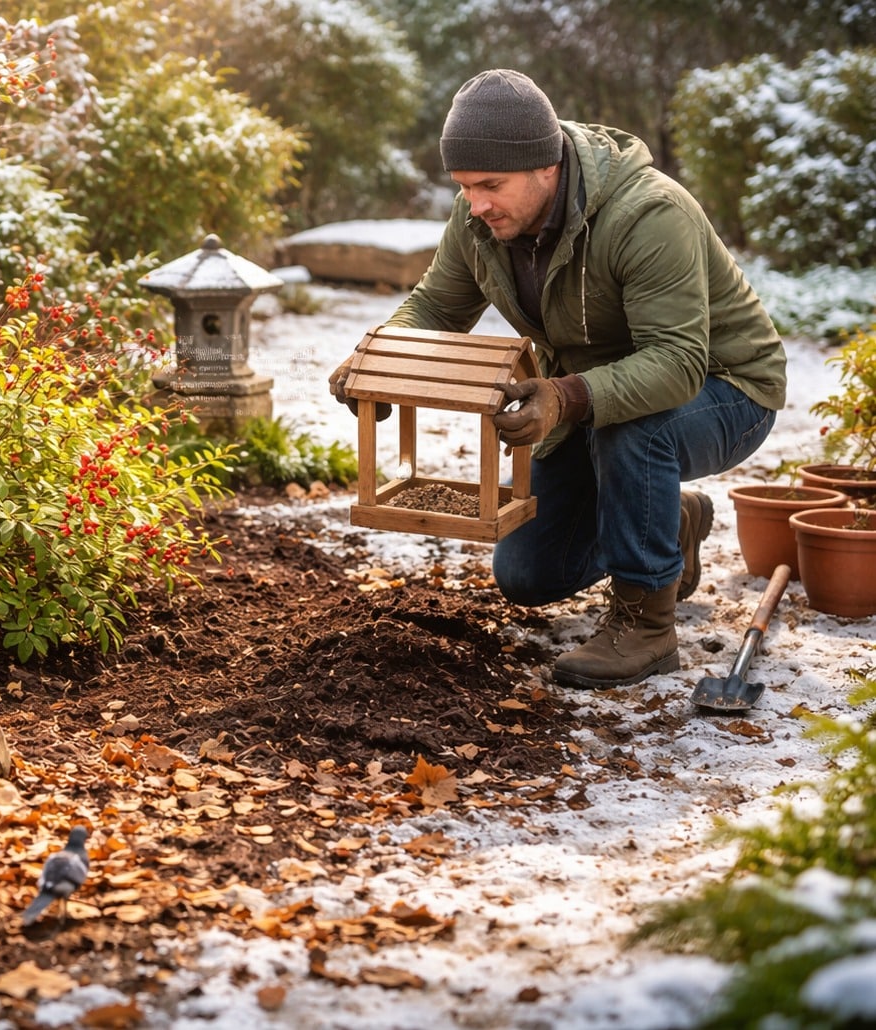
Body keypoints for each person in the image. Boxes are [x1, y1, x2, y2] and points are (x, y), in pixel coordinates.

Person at [331, 69, 786, 690]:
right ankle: (666, 519)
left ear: (548, 165)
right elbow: (435, 308)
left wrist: (563, 394)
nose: (476, 203)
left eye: (491, 184)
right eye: (464, 187)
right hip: (591, 398)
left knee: (633, 430)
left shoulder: (648, 214)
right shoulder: (478, 222)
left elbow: (678, 361)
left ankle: (647, 625)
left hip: (725, 388)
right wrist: (381, 359)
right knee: (529, 576)